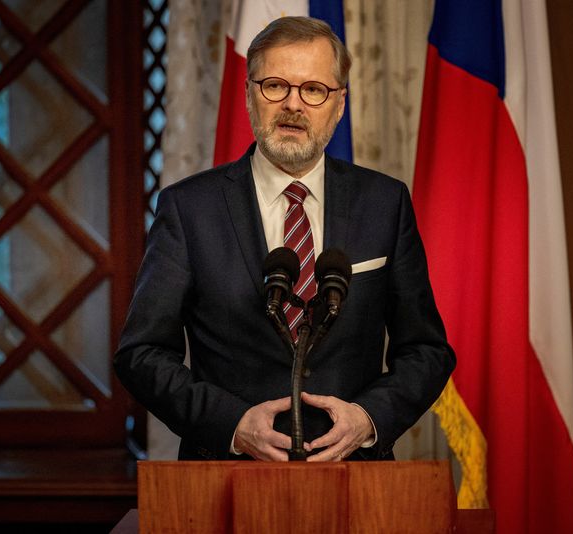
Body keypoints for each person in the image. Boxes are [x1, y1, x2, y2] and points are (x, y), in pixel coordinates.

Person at [114, 16, 455, 462]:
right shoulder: (189, 208)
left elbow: (426, 350)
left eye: (314, 90)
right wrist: (230, 424)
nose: (293, 104)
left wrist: (368, 418)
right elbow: (141, 353)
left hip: (357, 484)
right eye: (275, 85)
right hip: (225, 480)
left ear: (339, 104)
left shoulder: (384, 203)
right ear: (250, 94)